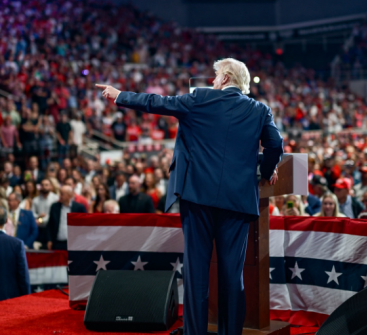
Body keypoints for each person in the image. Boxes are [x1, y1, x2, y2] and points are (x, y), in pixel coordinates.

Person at [96, 57, 283, 335]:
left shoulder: (201, 99)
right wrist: (266, 170)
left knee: (197, 275)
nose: (213, 80)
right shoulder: (260, 110)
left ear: (226, 78)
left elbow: (157, 102)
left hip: (198, 200)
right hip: (238, 203)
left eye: (216, 75)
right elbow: (275, 145)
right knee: (232, 277)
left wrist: (120, 95)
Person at [0, 206, 31, 301]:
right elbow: (23, 276)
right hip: (11, 300)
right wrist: (27, 298)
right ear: (6, 221)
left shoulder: (16, 244)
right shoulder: (16, 244)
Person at [47, 185, 87, 251]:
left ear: (69, 196)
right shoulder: (54, 207)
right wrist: (49, 240)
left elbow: (84, 225)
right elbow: (50, 225)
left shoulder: (79, 208)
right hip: (57, 243)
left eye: (62, 194)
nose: (59, 196)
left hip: (74, 244)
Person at [32, 178, 59, 248]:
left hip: (50, 229)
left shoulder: (55, 199)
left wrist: (40, 220)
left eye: (46, 185)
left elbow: (52, 216)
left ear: (51, 186)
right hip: (39, 228)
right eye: (42, 185)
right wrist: (39, 216)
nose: (44, 187)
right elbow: (32, 213)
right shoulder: (36, 200)